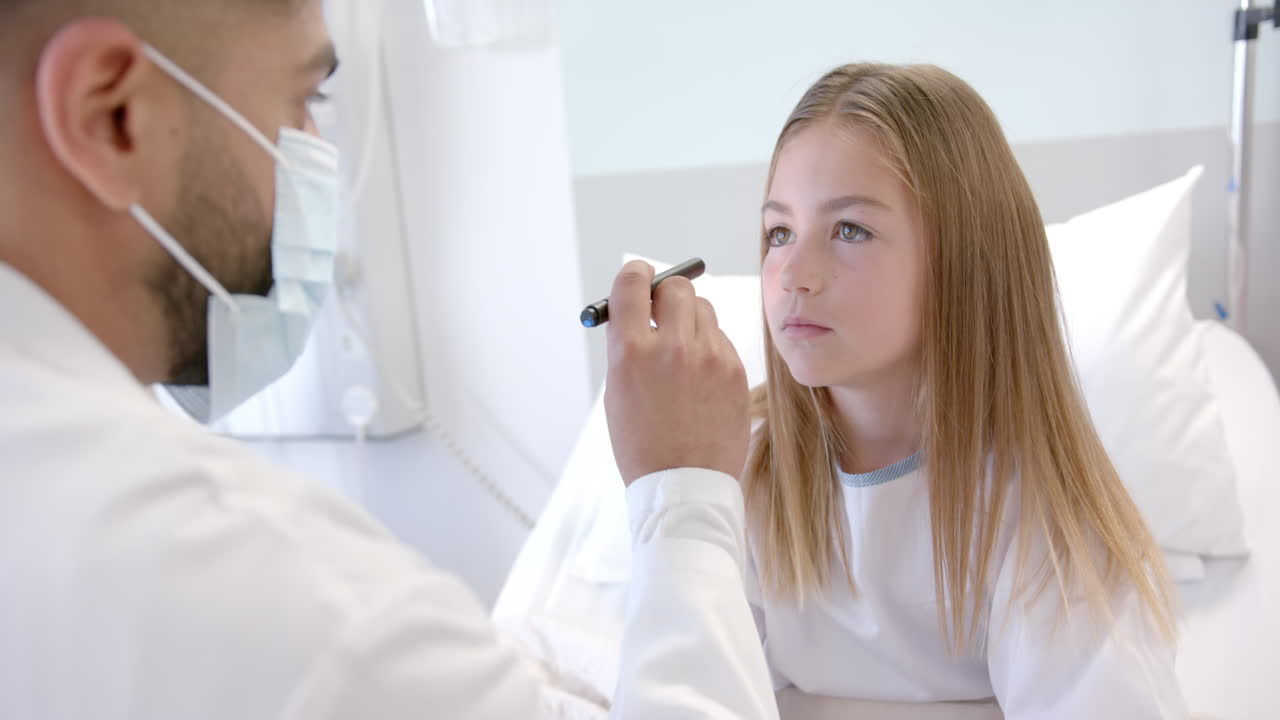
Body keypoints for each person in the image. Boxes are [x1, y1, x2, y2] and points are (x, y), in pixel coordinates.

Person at [0, 1, 777, 717]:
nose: (312, 157)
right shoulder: (291, 604)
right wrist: (687, 499)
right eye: (302, 100)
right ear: (113, 116)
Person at [744, 62, 1188, 717]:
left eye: (850, 230)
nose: (794, 274)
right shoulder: (737, 472)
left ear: (964, 259)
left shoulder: (1038, 518)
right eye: (779, 232)